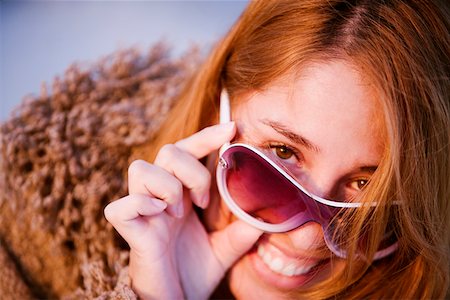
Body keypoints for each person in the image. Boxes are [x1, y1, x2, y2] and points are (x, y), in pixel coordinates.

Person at [104, 0, 450, 299]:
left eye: (367, 186)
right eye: (282, 153)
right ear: (215, 112)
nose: (306, 240)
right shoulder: (53, 255)